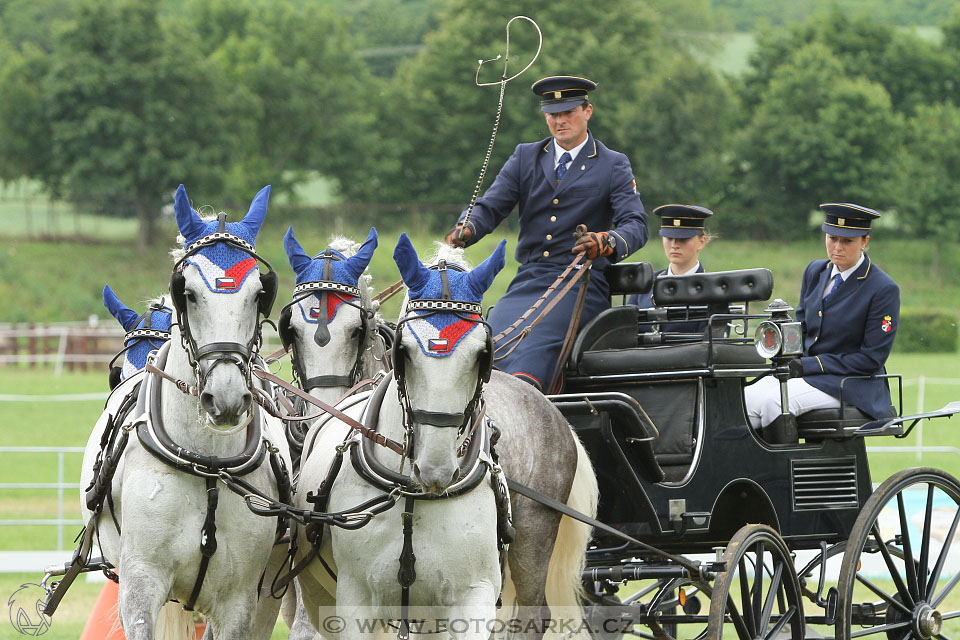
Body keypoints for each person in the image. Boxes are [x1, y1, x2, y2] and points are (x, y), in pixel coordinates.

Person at [445, 75, 648, 392]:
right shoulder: (526, 156)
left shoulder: (612, 164)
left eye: (568, 112)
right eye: (553, 114)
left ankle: (526, 417)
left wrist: (605, 242)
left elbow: (636, 224)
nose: (560, 121)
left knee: (533, 348)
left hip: (581, 281)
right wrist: (467, 228)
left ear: (587, 111)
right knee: (488, 346)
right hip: (530, 279)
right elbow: (492, 205)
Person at [745, 203, 900, 430]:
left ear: (864, 241)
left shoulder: (882, 288)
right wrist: (782, 356)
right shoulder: (815, 271)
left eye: (847, 241)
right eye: (832, 238)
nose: (837, 247)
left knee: (775, 402)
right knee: (743, 399)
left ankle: (784, 465)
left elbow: (870, 359)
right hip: (804, 375)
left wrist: (808, 365)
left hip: (851, 384)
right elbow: (801, 329)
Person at [628, 204, 712, 334]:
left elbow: (713, 344)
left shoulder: (714, 290)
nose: (674, 245)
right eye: (669, 238)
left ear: (701, 242)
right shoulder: (645, 284)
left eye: (683, 239)